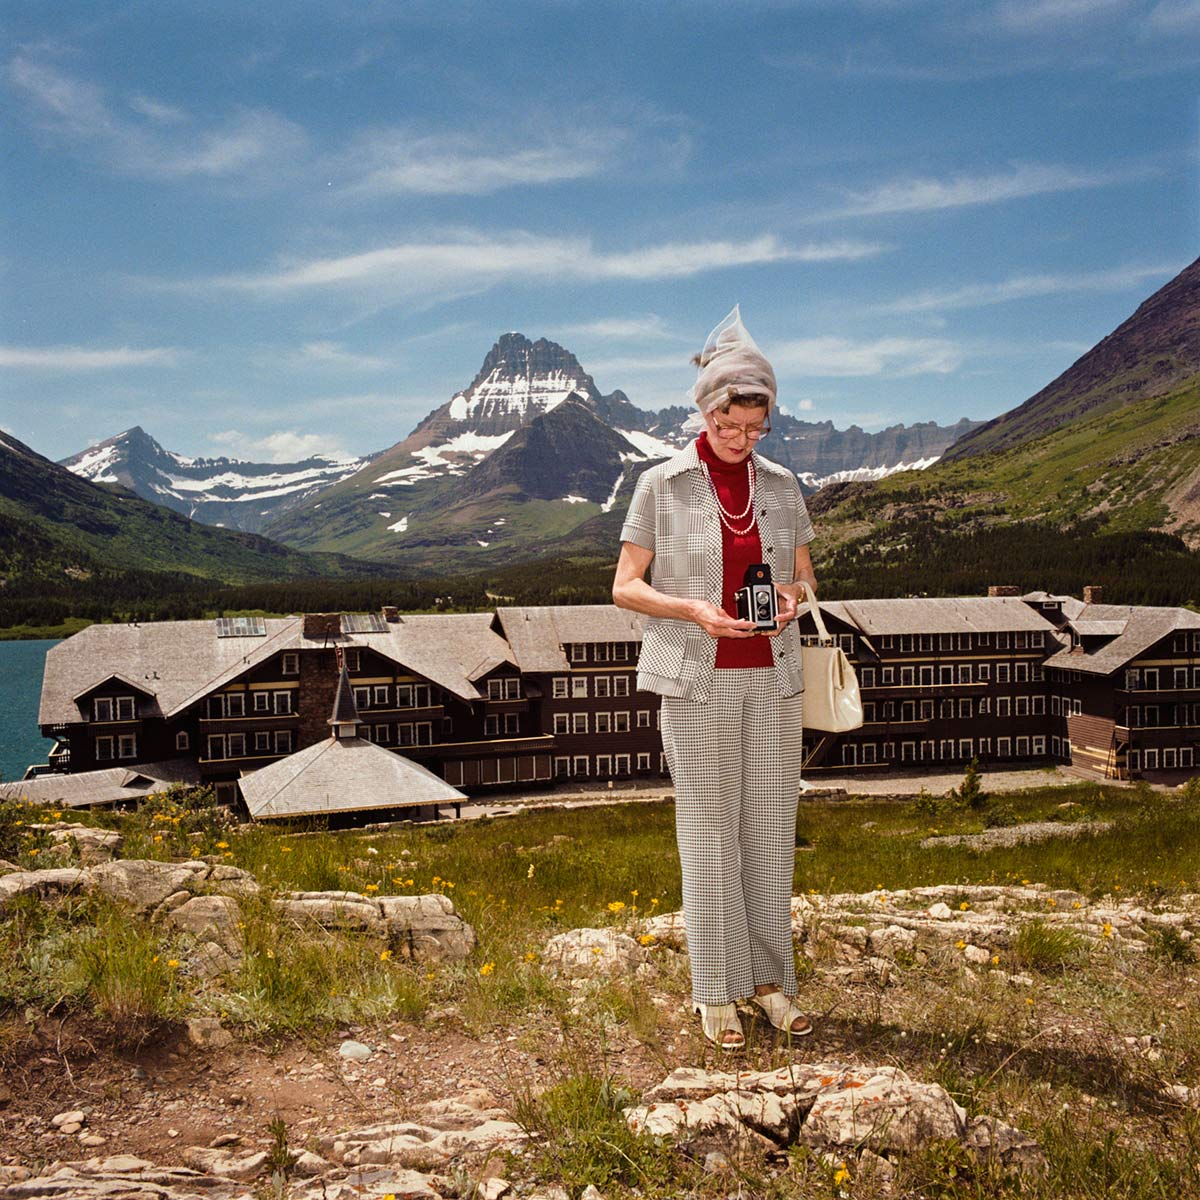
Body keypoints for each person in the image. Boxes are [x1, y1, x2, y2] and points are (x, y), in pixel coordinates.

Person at [612, 306, 818, 1050]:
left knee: (769, 831)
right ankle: (716, 992)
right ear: (705, 412)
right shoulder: (660, 486)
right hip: (694, 679)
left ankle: (769, 984)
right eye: (731, 426)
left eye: (756, 429)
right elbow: (624, 588)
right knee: (708, 835)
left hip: (773, 677)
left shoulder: (785, 486)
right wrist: (694, 610)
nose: (743, 440)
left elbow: (806, 579)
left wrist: (794, 602)